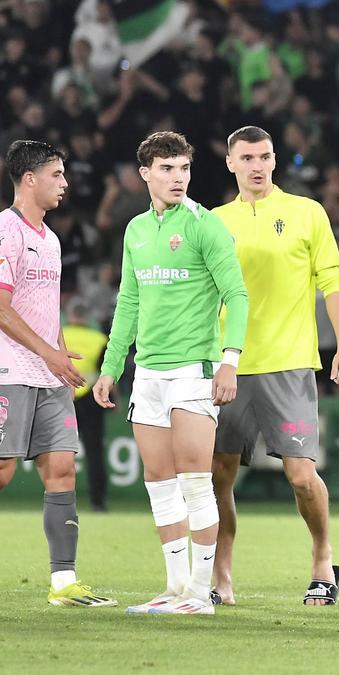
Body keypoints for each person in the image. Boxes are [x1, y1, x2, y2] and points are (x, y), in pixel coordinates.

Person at [95, 131, 248, 615]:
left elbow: (237, 295)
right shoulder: (136, 230)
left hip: (193, 370)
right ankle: (176, 587)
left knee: (196, 481)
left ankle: (201, 592)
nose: (178, 177)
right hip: (147, 374)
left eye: (183, 168)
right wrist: (110, 367)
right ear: (145, 173)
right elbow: (128, 301)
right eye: (167, 169)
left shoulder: (205, 226)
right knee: (159, 482)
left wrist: (229, 361)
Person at [209, 126, 339, 607]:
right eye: (247, 158)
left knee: (300, 475)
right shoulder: (213, 221)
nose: (257, 166)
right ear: (231, 163)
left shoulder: (306, 212)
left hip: (289, 363)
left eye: (265, 157)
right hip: (228, 364)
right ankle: (221, 575)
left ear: (275, 161)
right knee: (218, 476)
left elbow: (332, 280)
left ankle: (322, 558)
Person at [0, 139, 114, 608]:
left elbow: (46, 309)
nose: (66, 183)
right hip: (9, 370)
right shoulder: (6, 230)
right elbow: (1, 308)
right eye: (57, 174)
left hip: (49, 376)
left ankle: (64, 582)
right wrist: (49, 352)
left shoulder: (51, 239)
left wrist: (61, 352)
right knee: (3, 470)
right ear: (30, 179)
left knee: (63, 469)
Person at [62, 298, 110, 512]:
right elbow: (106, 373)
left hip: (63, 399)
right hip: (91, 399)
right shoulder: (99, 339)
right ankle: (98, 502)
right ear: (88, 317)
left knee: (60, 450)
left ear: (69, 315)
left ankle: (58, 497)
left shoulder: (59, 335)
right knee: (94, 452)